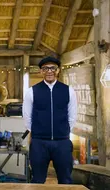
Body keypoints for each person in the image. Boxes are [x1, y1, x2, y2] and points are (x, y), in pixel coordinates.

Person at [22, 56, 77, 184]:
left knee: (66, 180)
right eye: (45, 68)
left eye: (53, 68)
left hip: (62, 143)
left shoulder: (68, 91)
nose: (49, 71)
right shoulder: (32, 92)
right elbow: (27, 117)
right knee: (37, 180)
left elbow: (72, 116)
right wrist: (37, 132)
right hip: (39, 143)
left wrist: (63, 131)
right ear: (41, 71)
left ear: (58, 70)